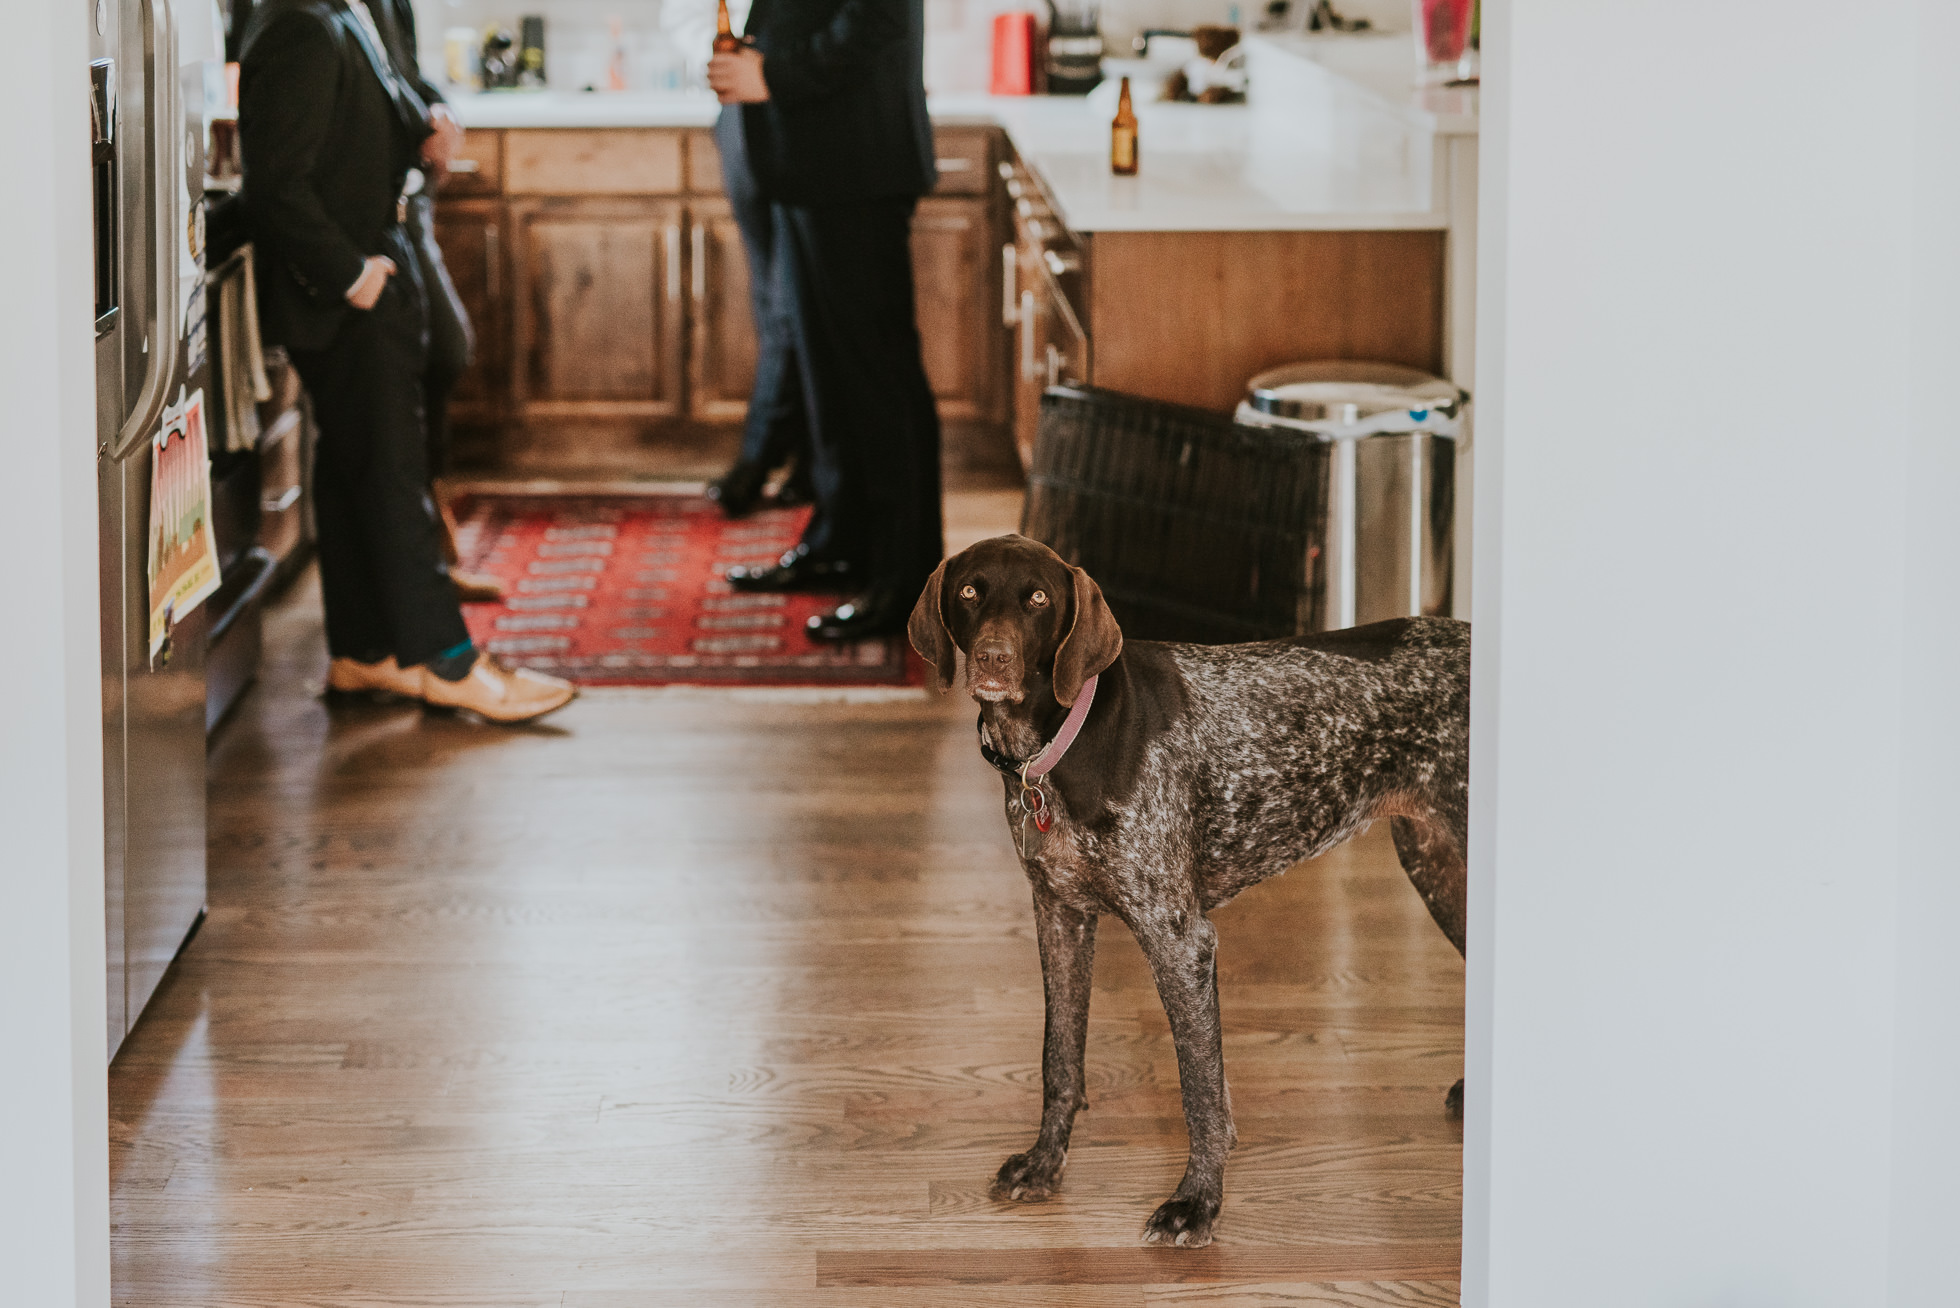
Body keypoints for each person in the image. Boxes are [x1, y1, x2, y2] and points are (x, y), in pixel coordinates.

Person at [239, 0, 574, 721]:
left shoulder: (345, 10)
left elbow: (365, 120)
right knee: (392, 476)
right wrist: (350, 275)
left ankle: (364, 652)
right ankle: (445, 659)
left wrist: (424, 130)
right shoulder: (299, 23)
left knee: (353, 469)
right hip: (348, 294)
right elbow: (275, 184)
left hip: (374, 274)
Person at [709, 0, 944, 640]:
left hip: (855, 166)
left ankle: (907, 583)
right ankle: (841, 540)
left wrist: (773, 76)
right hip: (805, 165)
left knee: (879, 383)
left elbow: (875, 21)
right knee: (827, 381)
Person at [367, 0, 506, 600]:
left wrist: (438, 110)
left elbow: (399, 72)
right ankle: (422, 546)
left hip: (408, 198)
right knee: (429, 357)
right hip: (370, 209)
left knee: (444, 352)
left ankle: (430, 532)